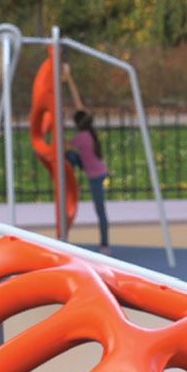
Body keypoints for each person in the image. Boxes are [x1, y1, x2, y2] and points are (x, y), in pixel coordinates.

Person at [62, 63, 110, 254]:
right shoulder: (89, 128)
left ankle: (105, 244)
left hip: (96, 175)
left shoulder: (81, 137)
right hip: (94, 167)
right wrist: (68, 77)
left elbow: (63, 146)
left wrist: (59, 122)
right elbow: (78, 103)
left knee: (100, 209)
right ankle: (73, 180)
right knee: (69, 156)